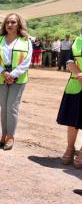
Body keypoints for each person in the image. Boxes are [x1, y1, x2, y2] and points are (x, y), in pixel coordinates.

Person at [0, 13, 32, 150]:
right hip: (1, 76)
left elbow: (27, 61)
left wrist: (12, 74)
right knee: (4, 108)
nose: (9, 25)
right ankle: (3, 134)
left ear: (19, 24)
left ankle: (10, 136)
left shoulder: (26, 41)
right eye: (7, 22)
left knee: (12, 107)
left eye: (13, 22)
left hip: (18, 78)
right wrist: (3, 72)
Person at [57, 28, 82, 169]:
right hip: (76, 83)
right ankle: (70, 148)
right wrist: (80, 75)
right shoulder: (76, 41)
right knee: (72, 120)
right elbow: (69, 61)